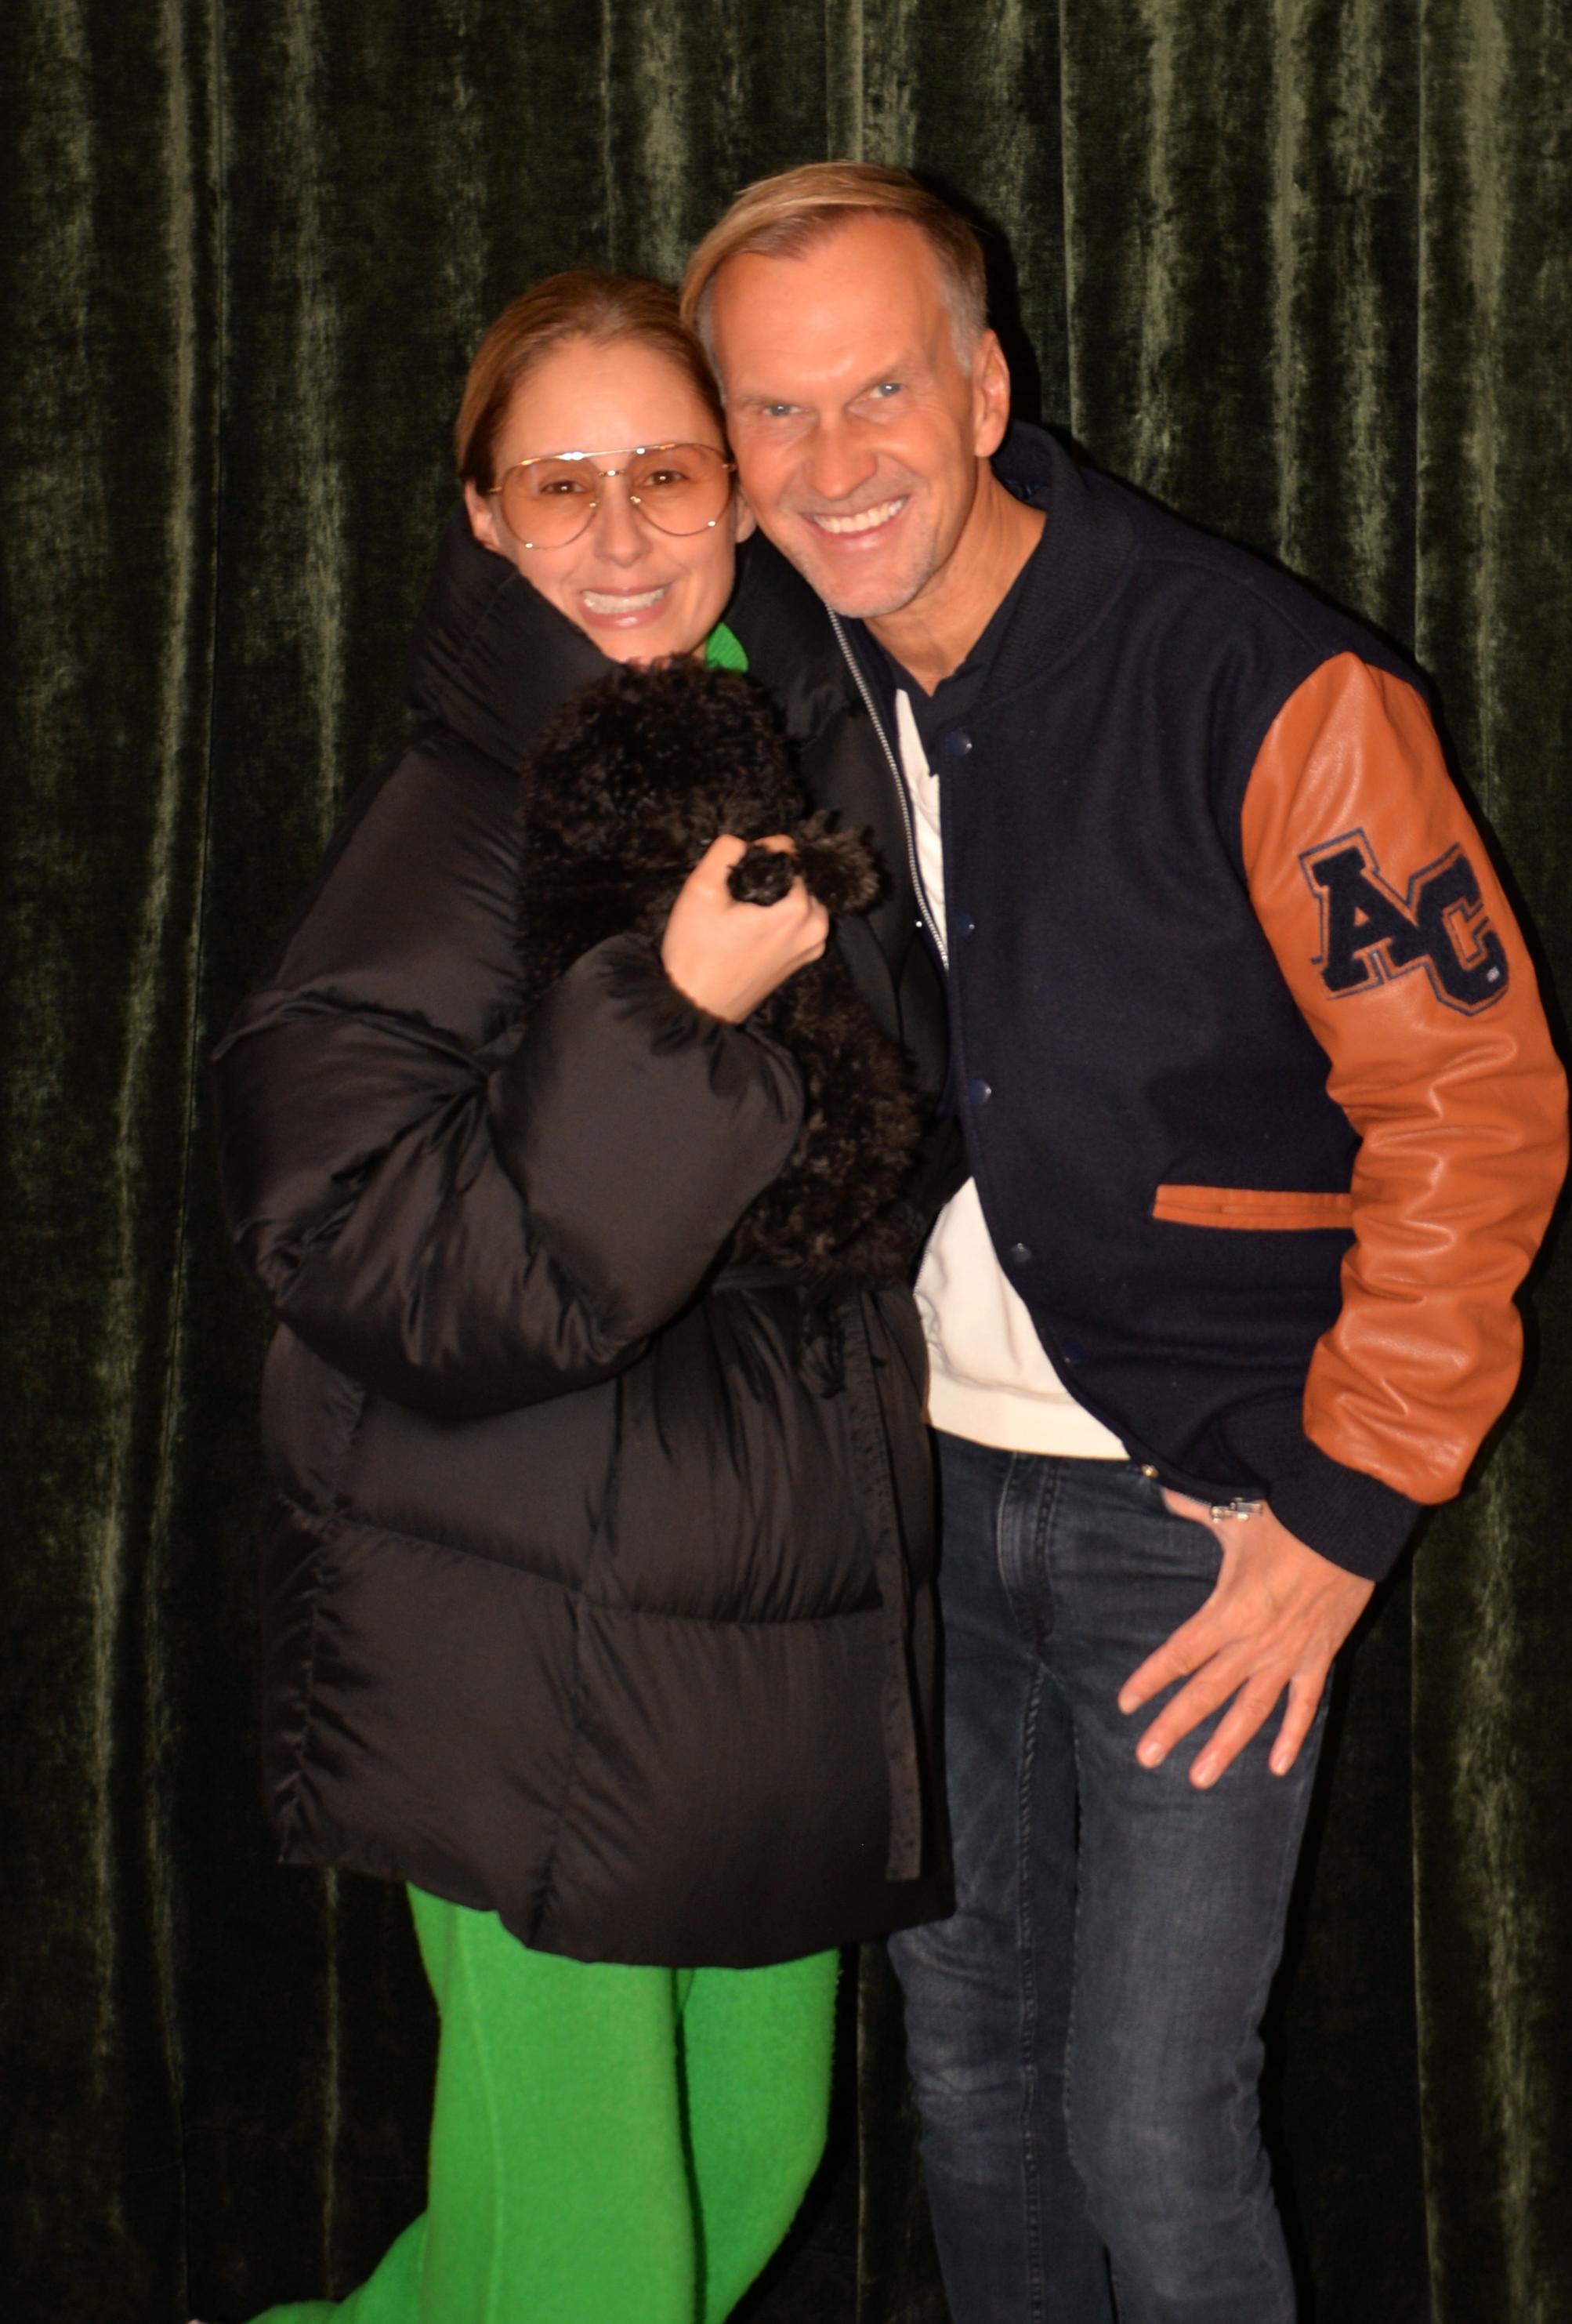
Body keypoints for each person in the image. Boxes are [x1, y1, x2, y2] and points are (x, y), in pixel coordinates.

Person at [679, 163, 1569, 2322]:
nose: (831, 462)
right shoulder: (779, 669)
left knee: (1153, 2130)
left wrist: (1346, 1507)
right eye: (775, 412)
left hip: (1199, 1516)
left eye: (879, 392)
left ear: (987, 392)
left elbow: (1472, 1106)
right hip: (910, 1498)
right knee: (973, 2083)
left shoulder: (1258, 680)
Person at [209, 271, 953, 2324]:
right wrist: (671, 1020)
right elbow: (351, 1247)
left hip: (761, 1626)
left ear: (736, 492)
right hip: (527, 1624)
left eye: (666, 473)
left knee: (743, 2173)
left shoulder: (796, 746)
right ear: (483, 515)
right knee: (601, 2258)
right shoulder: (458, 819)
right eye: (561, 484)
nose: (621, 533)